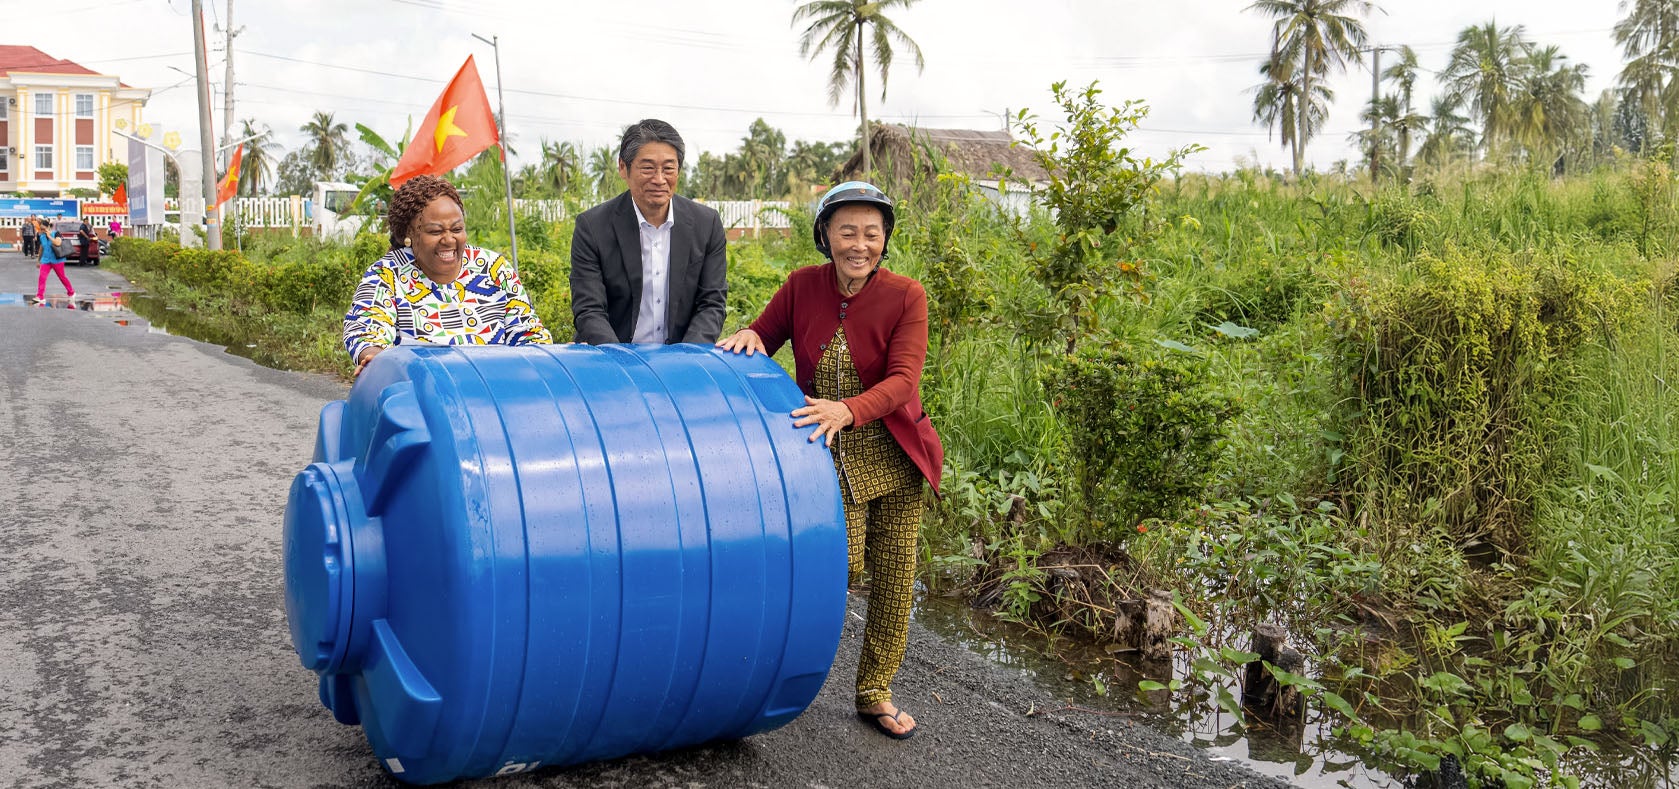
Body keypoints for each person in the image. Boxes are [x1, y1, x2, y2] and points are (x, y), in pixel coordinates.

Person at [716, 181, 943, 740]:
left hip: (894, 453)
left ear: (885, 239)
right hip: (823, 455)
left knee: (894, 577)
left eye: (871, 233)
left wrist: (848, 409)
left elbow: (903, 382)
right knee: (833, 570)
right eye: (847, 231)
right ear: (826, 235)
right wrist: (749, 332)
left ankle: (875, 693)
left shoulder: (907, 295)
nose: (859, 244)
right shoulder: (801, 286)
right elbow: (763, 338)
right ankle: (760, 676)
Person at [342, 174, 551, 375]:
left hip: (495, 393)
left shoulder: (494, 269)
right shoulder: (387, 274)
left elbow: (529, 334)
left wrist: (553, 357)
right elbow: (366, 331)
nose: (449, 240)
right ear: (409, 234)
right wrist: (375, 360)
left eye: (457, 229)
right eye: (435, 231)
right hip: (419, 397)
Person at [570, 119, 727, 345]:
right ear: (623, 168)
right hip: (615, 357)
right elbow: (589, 310)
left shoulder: (706, 224)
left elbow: (711, 303)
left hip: (681, 358)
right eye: (648, 168)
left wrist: (686, 358)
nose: (659, 179)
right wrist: (621, 362)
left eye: (668, 169)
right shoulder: (592, 227)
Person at [36, 222, 75, 305]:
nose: (42, 231)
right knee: (42, 277)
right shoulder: (41, 236)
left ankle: (71, 292)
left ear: (49, 227)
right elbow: (41, 248)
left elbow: (58, 243)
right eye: (41, 229)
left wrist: (49, 236)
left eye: (44, 229)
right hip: (46, 260)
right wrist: (38, 260)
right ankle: (40, 296)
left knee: (62, 277)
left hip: (57, 260)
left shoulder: (56, 233)